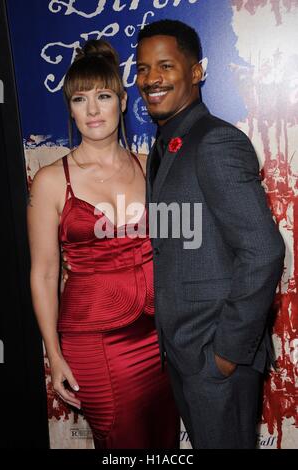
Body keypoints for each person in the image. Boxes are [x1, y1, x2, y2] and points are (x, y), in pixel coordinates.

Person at [136, 20, 285, 449]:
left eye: (165, 65)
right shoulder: (164, 148)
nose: (151, 79)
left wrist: (225, 353)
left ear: (197, 72)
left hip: (215, 359)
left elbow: (263, 251)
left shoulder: (216, 142)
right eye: (143, 69)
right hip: (182, 352)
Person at [27, 38, 179, 449]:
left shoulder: (151, 168)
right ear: (70, 107)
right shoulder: (51, 180)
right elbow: (43, 273)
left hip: (161, 337)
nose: (93, 110)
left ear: (123, 101)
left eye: (104, 96)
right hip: (96, 342)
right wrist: (53, 355)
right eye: (80, 99)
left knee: (163, 445)